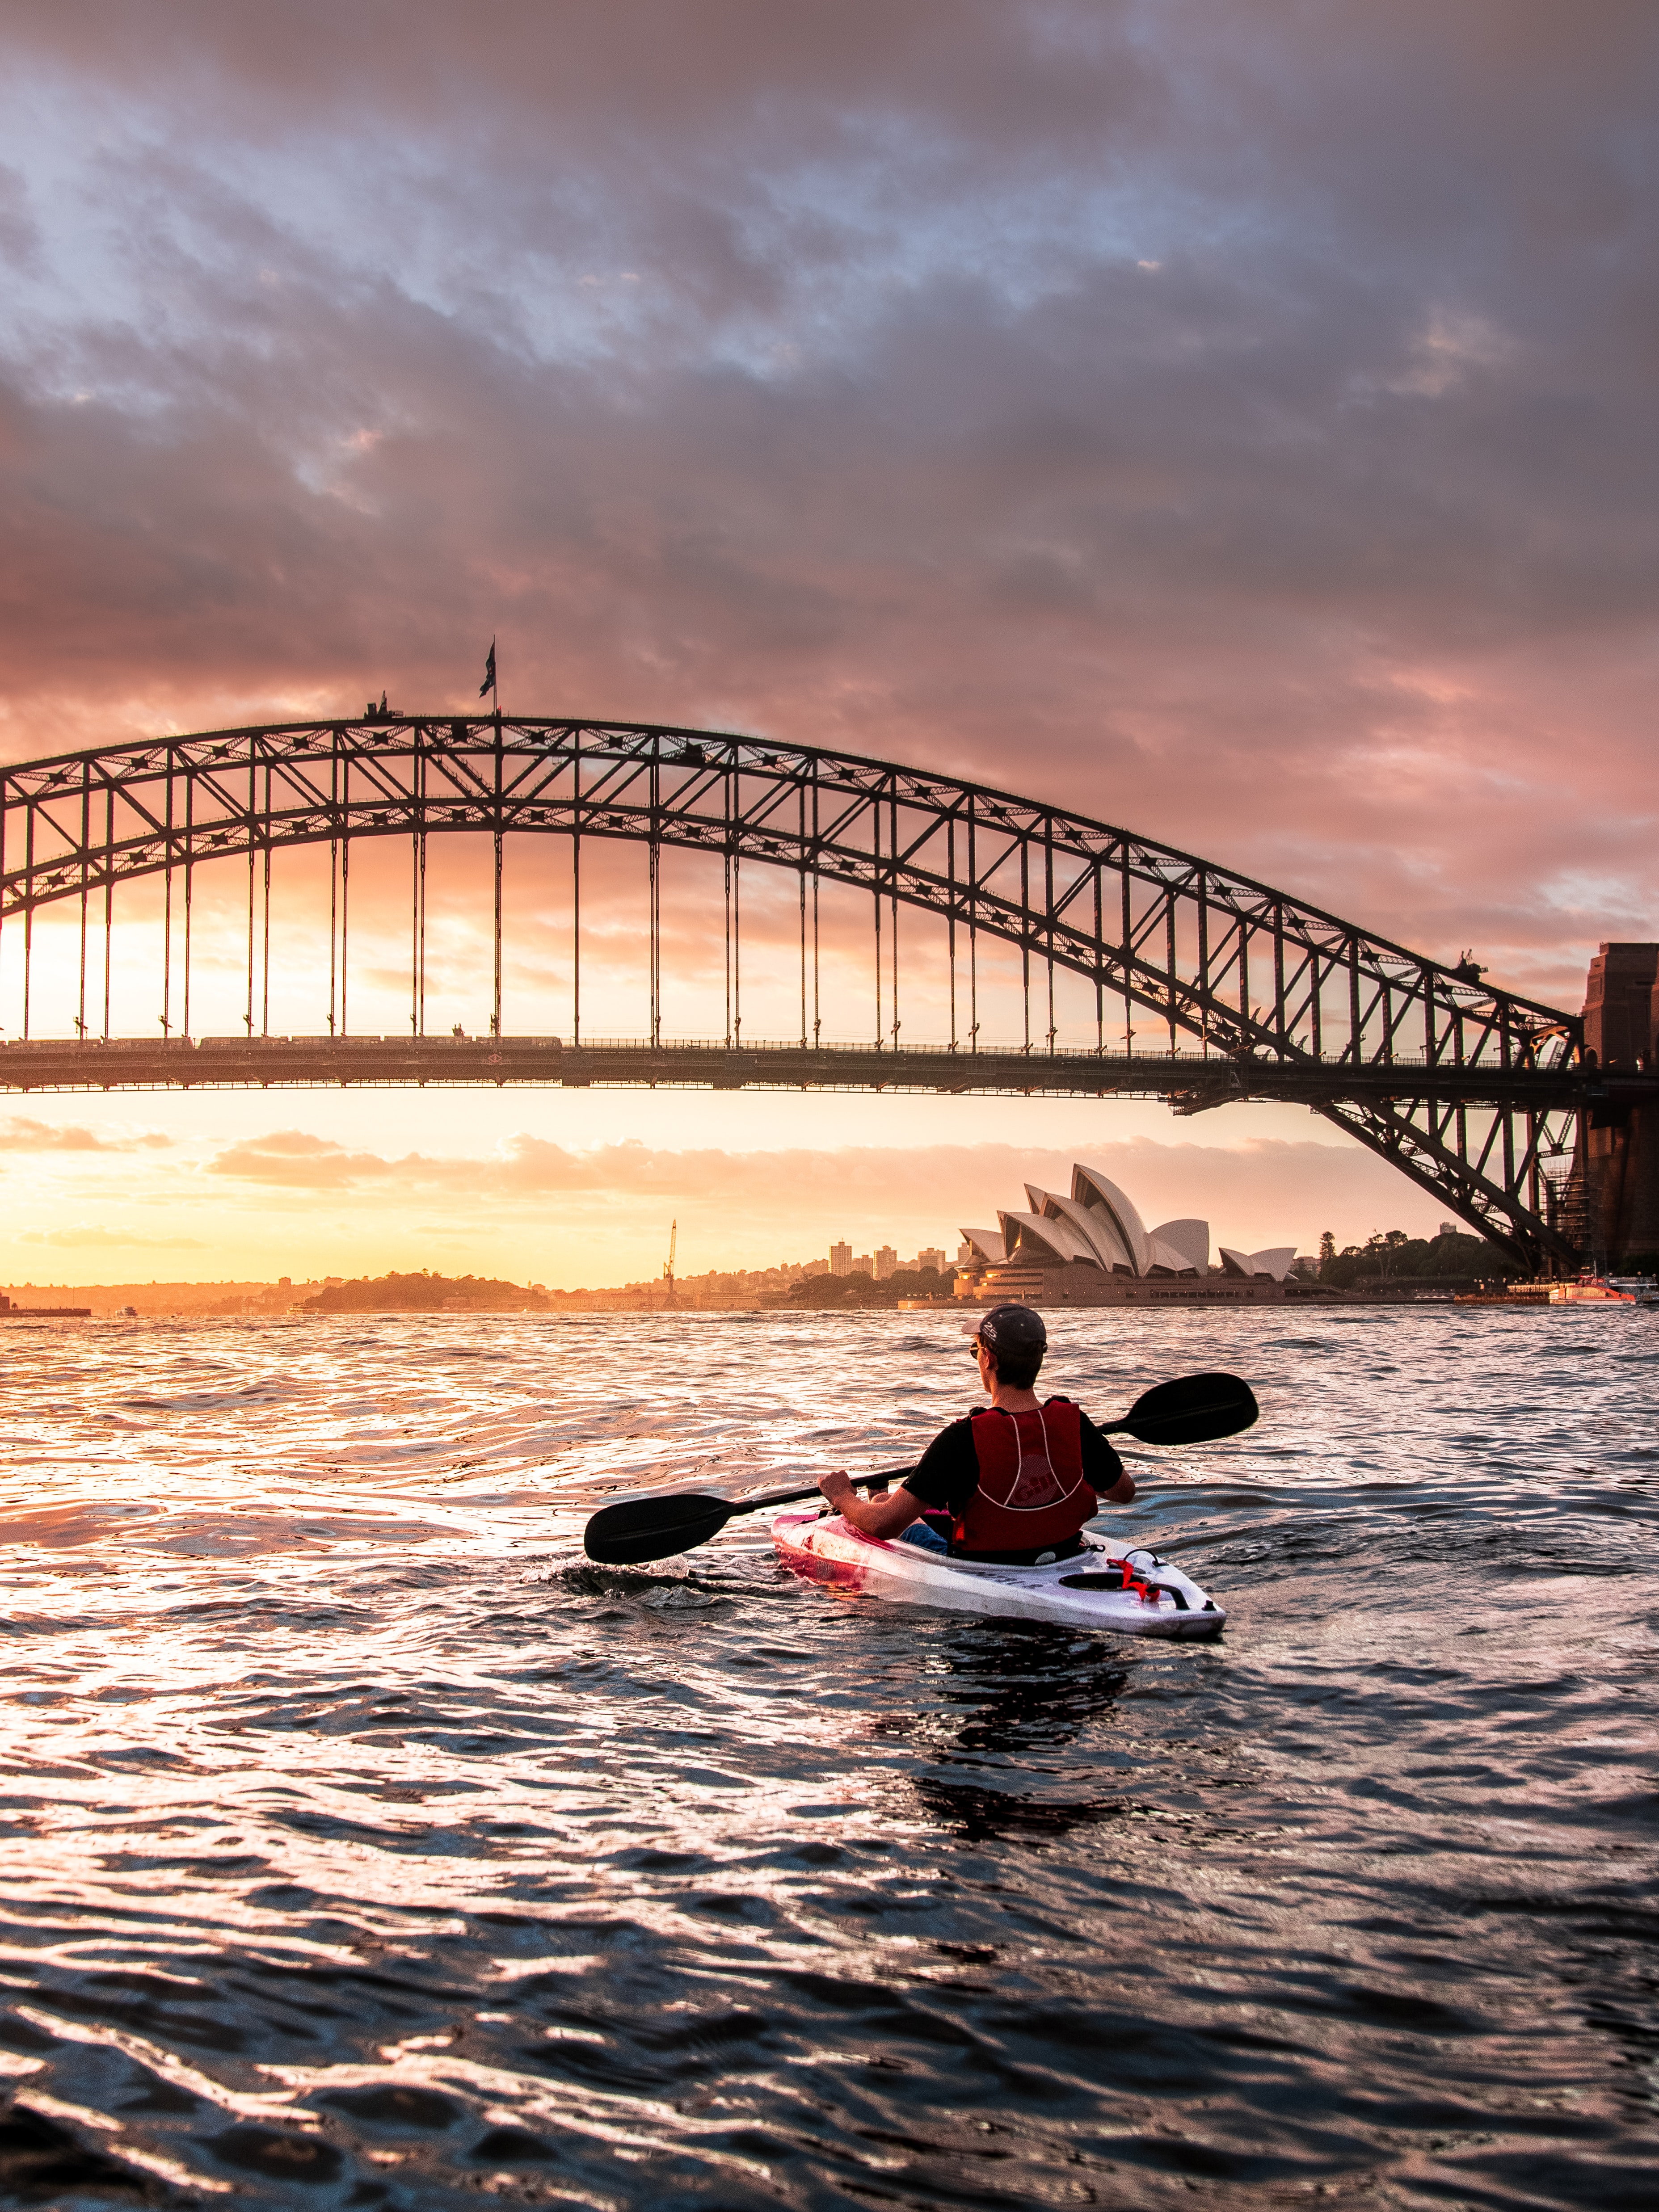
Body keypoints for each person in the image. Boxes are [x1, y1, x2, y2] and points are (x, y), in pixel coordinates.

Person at [817, 1304, 1136, 1565]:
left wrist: (842, 1495)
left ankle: (873, 1498)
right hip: (1063, 1555)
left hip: (981, 1565)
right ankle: (877, 1497)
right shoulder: (1075, 1423)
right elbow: (1124, 1493)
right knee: (898, 1503)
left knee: (885, 1505)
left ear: (989, 1359)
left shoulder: (962, 1438)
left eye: (976, 1350)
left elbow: (883, 1526)